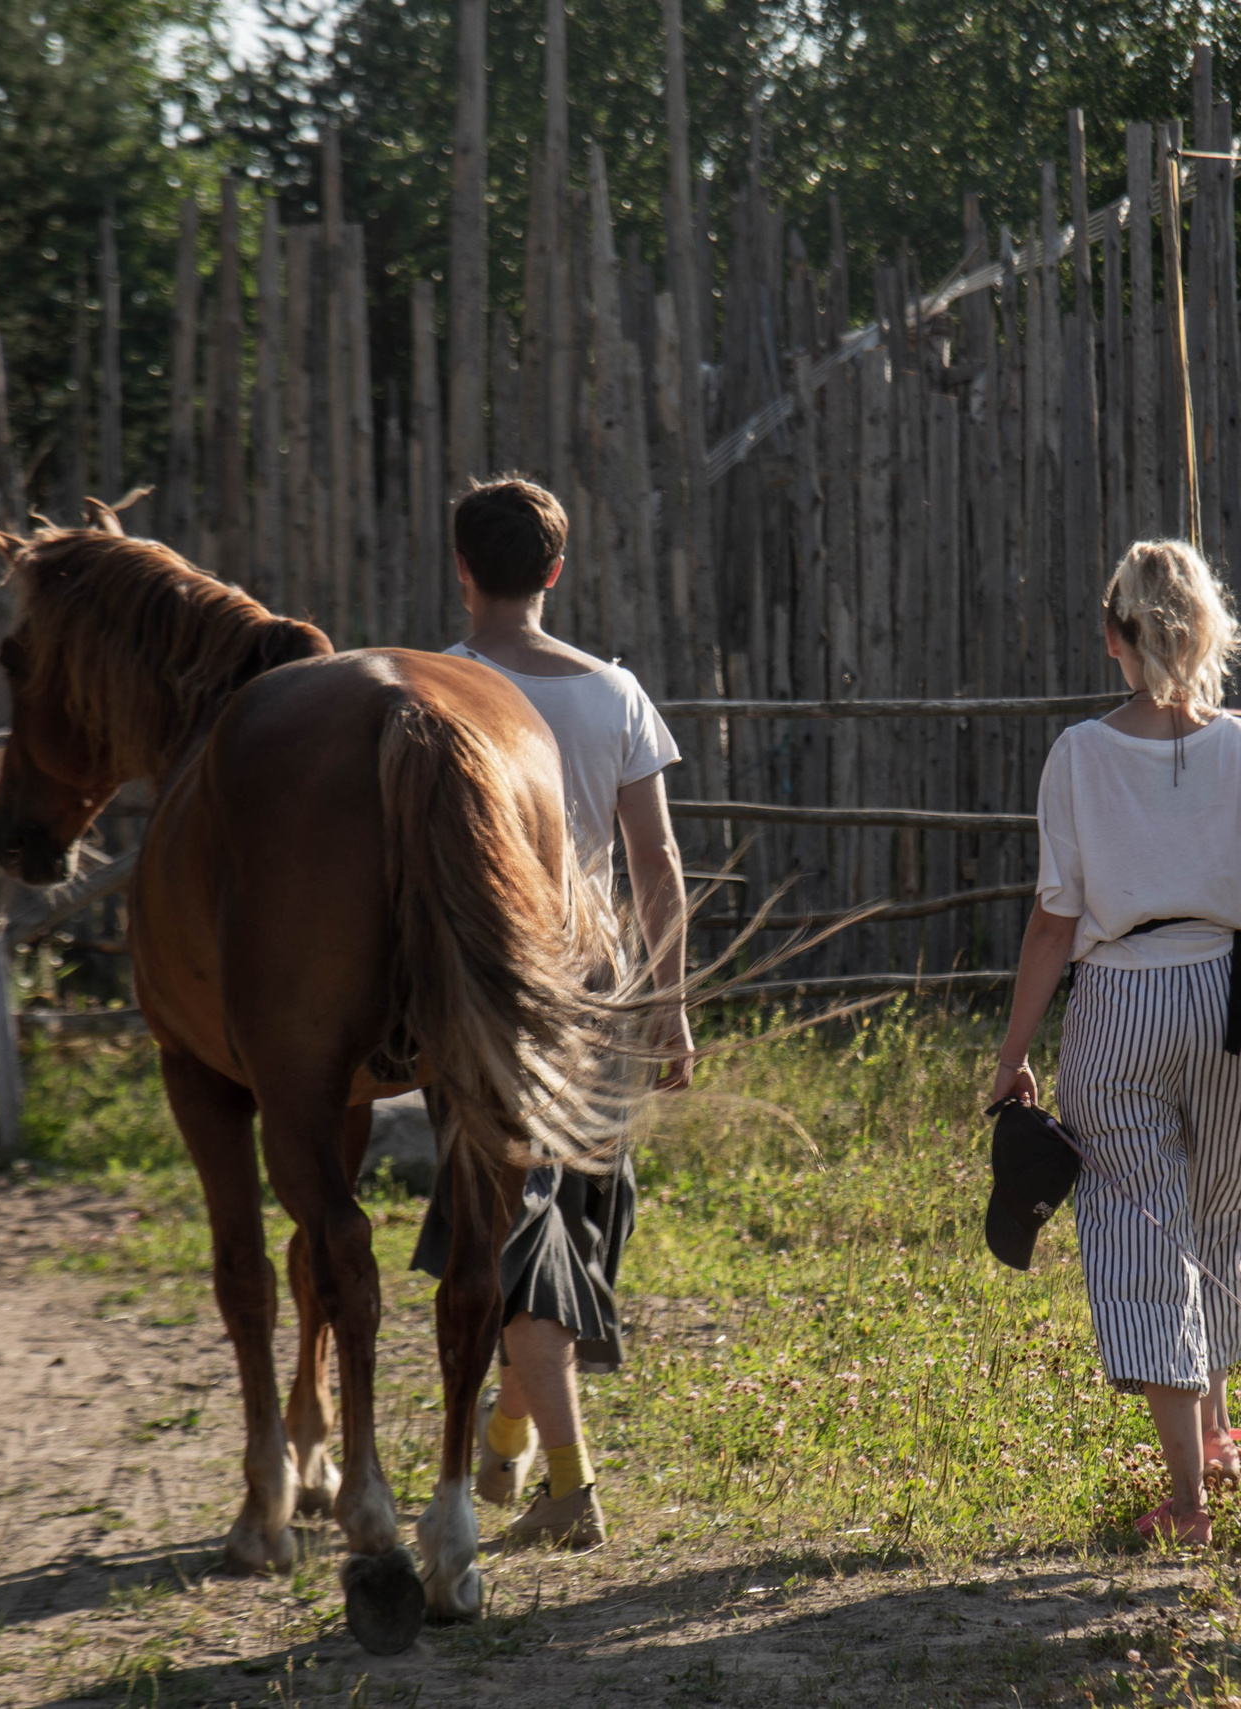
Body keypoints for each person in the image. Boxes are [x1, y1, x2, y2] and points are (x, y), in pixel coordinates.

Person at [987, 539, 1241, 1548]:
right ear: (1210, 630)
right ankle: (1214, 1435)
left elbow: (1053, 922)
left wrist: (1013, 1050)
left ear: (1113, 637)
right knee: (1221, 1210)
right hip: (1231, 1000)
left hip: (1120, 1002)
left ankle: (1186, 1502)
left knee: (1145, 1228)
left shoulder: (1079, 757)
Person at [409, 474, 694, 1552]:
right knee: (572, 1225)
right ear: (555, 572)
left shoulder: (437, 689)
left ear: (463, 568)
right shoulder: (614, 691)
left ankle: (564, 1484)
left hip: (489, 999)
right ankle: (514, 1437)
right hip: (604, 988)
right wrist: (670, 1003)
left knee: (526, 1233)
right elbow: (656, 860)